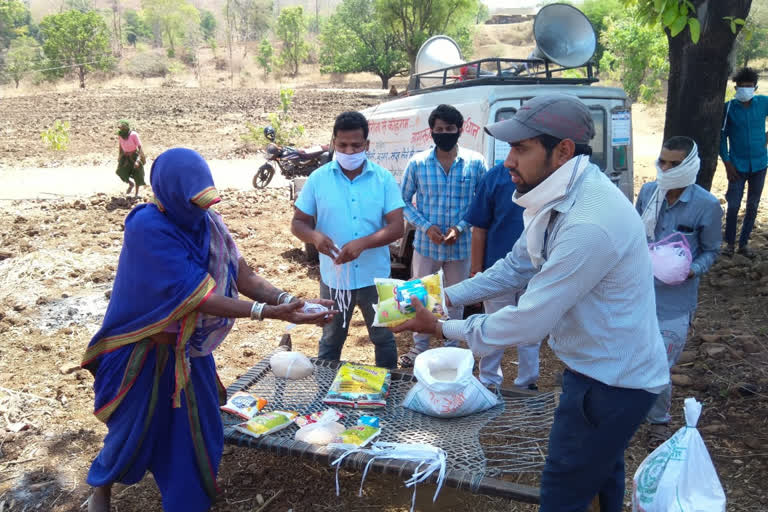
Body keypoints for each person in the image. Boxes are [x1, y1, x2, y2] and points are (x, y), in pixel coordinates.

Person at [392, 94, 669, 512]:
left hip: (613, 382)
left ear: (562, 151)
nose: (507, 161)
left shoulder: (588, 222)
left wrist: (441, 327)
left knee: (563, 487)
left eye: (520, 149)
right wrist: (445, 297)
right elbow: (512, 268)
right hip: (599, 367)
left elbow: (526, 323)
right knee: (601, 474)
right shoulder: (557, 198)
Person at [83, 148, 335, 512]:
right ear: (169, 193)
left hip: (189, 353)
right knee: (132, 435)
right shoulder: (146, 226)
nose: (202, 210)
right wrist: (271, 312)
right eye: (195, 203)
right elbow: (197, 296)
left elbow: (241, 274)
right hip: (143, 356)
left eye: (206, 202)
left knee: (198, 438)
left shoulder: (209, 223)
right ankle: (101, 489)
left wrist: (292, 300)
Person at [291, 111, 405, 369]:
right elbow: (298, 223)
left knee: (384, 338)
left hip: (374, 277)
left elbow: (397, 227)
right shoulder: (318, 179)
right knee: (331, 339)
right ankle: (325, 396)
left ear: (367, 145)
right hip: (335, 278)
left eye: (356, 145)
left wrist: (363, 243)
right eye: (342, 145)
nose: (349, 151)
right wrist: (314, 236)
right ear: (333, 143)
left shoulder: (383, 179)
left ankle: (387, 391)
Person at [637, 136, 722, 450]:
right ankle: (629, 412)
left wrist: (690, 270)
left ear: (690, 167)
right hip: (639, 295)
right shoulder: (649, 193)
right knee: (634, 356)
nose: (665, 168)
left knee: (660, 363)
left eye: (674, 164)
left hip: (675, 302)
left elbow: (712, 250)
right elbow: (636, 234)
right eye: (662, 161)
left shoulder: (706, 206)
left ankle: (658, 422)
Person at [398, 104, 487, 368]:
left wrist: (459, 228)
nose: (444, 133)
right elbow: (402, 201)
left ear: (460, 130)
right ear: (431, 131)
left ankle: (452, 350)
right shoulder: (417, 163)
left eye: (450, 129)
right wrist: (426, 227)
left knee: (456, 299)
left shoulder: (475, 162)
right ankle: (419, 349)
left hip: (461, 247)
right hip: (426, 245)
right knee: (421, 296)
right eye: (439, 129)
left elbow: (481, 202)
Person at [464, 162, 537, 391]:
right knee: (493, 325)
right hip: (498, 268)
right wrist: (477, 271)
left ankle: (526, 382)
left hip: (536, 268)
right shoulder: (495, 176)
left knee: (530, 327)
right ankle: (488, 379)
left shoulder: (547, 174)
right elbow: (480, 227)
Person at [719, 66, 768, 258]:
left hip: (760, 164)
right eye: (740, 86)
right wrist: (727, 162)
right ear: (735, 87)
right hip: (736, 165)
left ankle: (744, 244)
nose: (744, 89)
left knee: (753, 205)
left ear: (755, 87)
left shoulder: (763, 103)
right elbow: (721, 137)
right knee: (733, 205)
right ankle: (729, 244)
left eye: (748, 86)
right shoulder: (728, 107)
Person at [116, 120, 146, 197]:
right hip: (125, 156)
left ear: (127, 127)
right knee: (120, 171)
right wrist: (120, 156)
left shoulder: (133, 135)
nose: (121, 129)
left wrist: (138, 160)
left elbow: (139, 147)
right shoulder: (120, 135)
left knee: (137, 174)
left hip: (134, 156)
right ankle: (130, 184)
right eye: (120, 128)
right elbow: (120, 146)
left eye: (123, 127)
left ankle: (136, 193)